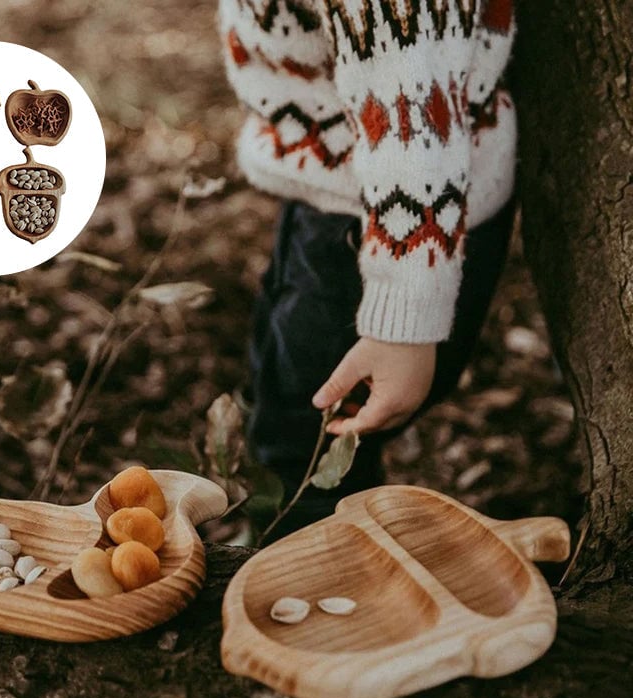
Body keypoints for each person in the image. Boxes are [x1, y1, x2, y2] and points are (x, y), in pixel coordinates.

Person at [217, 0, 518, 541]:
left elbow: (413, 117)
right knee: (278, 382)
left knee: (311, 448)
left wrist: (403, 326)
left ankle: (309, 580)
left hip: (391, 226)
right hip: (342, 184)